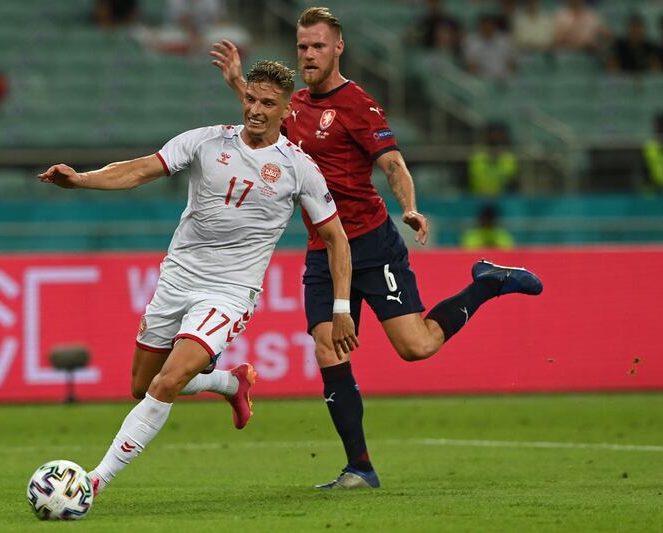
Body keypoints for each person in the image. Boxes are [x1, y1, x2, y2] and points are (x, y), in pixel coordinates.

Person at [210, 6, 543, 489]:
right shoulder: (295, 105)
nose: (308, 54)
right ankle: (359, 468)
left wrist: (409, 207)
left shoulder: (358, 105)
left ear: (338, 47)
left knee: (417, 346)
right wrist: (237, 82)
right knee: (327, 347)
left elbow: (392, 164)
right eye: (302, 46)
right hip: (324, 248)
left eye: (318, 46)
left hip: (371, 244)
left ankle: (487, 283)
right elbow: (262, 117)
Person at [38, 59, 358, 496]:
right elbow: (138, 169)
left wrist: (342, 308)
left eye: (269, 103)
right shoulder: (205, 141)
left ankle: (95, 480)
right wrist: (81, 180)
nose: (256, 109)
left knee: (166, 383)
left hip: (229, 292)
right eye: (251, 98)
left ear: (287, 111)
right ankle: (229, 381)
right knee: (141, 386)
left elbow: (337, 239)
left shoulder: (298, 167)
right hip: (178, 279)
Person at [468, 122, 518, 196]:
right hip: (479, 197)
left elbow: (510, 179)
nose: (495, 138)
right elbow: (475, 177)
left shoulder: (509, 157)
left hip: (502, 198)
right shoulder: (477, 156)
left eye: (497, 135)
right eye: (492, 135)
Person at [463, 14, 516, 82]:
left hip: (503, 78)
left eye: (490, 26)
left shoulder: (505, 40)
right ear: (480, 27)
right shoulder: (470, 40)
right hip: (481, 80)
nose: (487, 28)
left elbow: (511, 64)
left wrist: (506, 77)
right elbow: (470, 65)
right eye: (485, 26)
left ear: (495, 27)